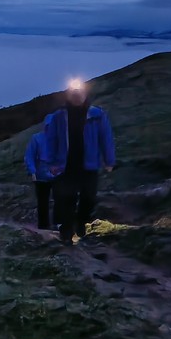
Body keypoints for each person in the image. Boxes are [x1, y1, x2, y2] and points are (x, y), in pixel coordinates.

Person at [42, 80, 116, 245]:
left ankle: (81, 222)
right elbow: (50, 140)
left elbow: (106, 138)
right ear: (68, 95)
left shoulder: (97, 115)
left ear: (85, 94)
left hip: (88, 165)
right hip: (65, 166)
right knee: (66, 199)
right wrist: (50, 162)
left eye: (79, 93)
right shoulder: (58, 117)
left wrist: (109, 160)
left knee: (88, 197)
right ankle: (66, 233)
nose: (77, 97)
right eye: (73, 93)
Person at [23, 130, 54, 230]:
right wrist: (32, 171)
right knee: (43, 201)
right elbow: (30, 156)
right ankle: (44, 226)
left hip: (57, 175)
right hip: (41, 176)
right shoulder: (36, 138)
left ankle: (60, 224)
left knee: (61, 199)